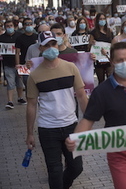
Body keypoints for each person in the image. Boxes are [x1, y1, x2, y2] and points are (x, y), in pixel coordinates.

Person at [66, 42, 126, 189]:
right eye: (120, 60)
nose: (125, 63)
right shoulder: (102, 92)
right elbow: (88, 120)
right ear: (112, 62)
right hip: (120, 154)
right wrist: (75, 139)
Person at [26, 31, 88, 189]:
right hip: (48, 129)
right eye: (46, 45)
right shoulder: (35, 75)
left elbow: (81, 96)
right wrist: (29, 133)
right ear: (40, 48)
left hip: (71, 126)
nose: (51, 48)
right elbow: (31, 105)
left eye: (53, 44)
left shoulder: (70, 67)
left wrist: (87, 123)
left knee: (76, 167)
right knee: (54, 171)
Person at [0, 20, 26, 109]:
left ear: (14, 26)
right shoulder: (1, 38)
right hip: (7, 63)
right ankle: (10, 101)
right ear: (5, 27)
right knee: (10, 83)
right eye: (7, 26)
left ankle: (20, 97)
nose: (9, 27)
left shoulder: (19, 36)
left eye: (10, 25)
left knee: (19, 82)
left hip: (19, 64)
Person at [89, 13, 113, 84]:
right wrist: (92, 42)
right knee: (101, 80)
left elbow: (112, 44)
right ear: (97, 21)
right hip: (99, 59)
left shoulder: (109, 31)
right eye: (100, 19)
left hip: (108, 58)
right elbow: (89, 45)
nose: (102, 20)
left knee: (110, 79)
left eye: (103, 19)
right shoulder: (94, 32)